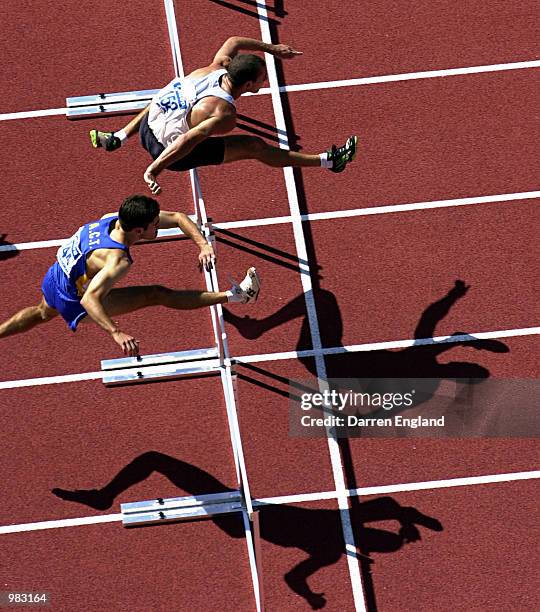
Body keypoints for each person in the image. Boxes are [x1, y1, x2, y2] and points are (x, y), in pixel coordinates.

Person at [89, 36, 358, 194]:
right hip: (167, 151)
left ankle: (119, 137)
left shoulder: (216, 66)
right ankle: (328, 162)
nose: (265, 82)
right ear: (249, 84)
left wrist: (272, 49)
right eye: (262, 79)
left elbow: (233, 40)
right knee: (253, 146)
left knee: (168, 95)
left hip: (148, 125)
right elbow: (189, 141)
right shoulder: (225, 113)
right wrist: (153, 170)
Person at [0, 194, 260, 356]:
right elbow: (90, 299)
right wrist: (116, 332)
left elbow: (179, 218)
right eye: (155, 225)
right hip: (75, 299)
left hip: (56, 276)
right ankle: (238, 296)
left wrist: (203, 245)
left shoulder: (111, 219)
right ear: (138, 230)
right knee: (156, 294)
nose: (160, 225)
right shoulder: (117, 260)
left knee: (41, 313)